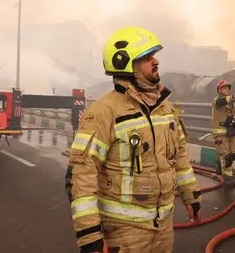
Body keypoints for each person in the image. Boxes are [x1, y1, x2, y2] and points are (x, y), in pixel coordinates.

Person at [65, 26, 202, 253]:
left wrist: (192, 196)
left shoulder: (164, 108)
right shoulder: (103, 112)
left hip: (163, 227)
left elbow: (180, 158)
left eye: (154, 56)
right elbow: (82, 176)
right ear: (126, 64)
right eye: (147, 57)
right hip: (124, 233)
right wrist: (89, 235)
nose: (155, 62)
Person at [211, 80, 235, 187]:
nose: (227, 90)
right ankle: (228, 177)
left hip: (231, 131)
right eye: (224, 88)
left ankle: (218, 163)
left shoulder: (231, 104)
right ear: (219, 90)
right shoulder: (217, 100)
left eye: (228, 88)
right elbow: (223, 101)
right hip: (220, 133)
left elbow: (231, 116)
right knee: (225, 155)